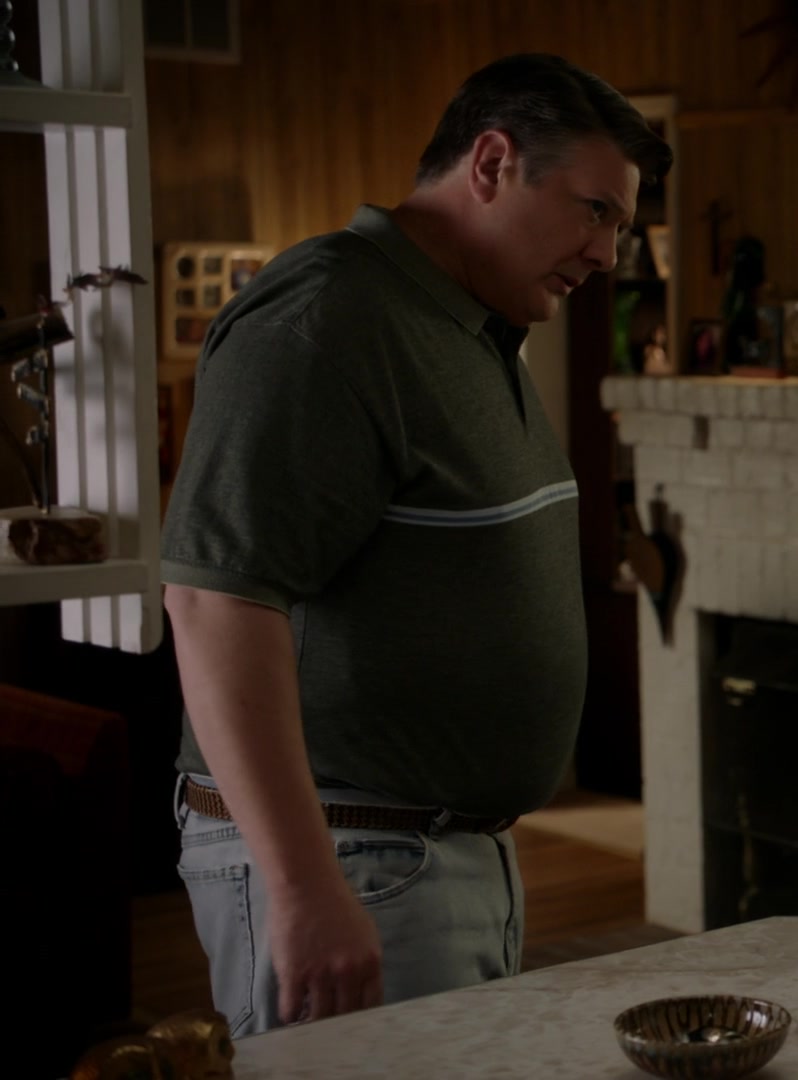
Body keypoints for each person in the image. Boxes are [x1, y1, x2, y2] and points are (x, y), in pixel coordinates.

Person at [161, 53, 672, 1036]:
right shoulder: (327, 319)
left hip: (434, 856)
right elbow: (215, 602)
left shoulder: (468, 324)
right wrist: (304, 886)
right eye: (596, 211)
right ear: (491, 164)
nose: (609, 253)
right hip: (350, 858)